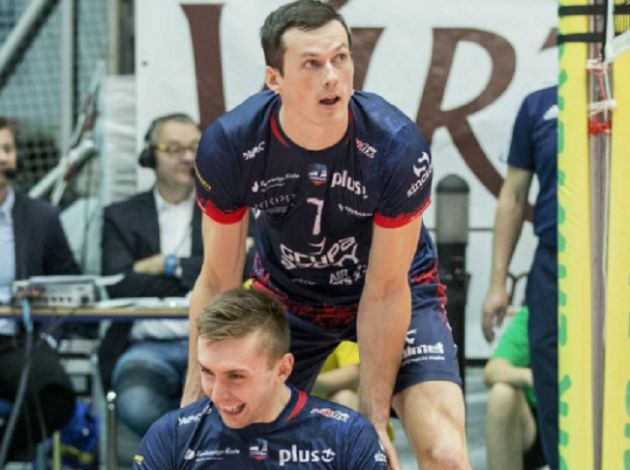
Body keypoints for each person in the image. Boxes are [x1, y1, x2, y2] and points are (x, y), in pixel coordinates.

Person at [182, 2, 470, 468]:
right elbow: (218, 281)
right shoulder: (232, 144)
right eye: (311, 64)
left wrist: (374, 417)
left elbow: (385, 290)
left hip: (394, 289)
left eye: (340, 58)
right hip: (288, 298)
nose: (332, 77)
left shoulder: (396, 145)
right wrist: (194, 402)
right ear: (274, 78)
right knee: (225, 445)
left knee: (446, 453)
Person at [134, 287, 387, 470]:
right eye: (208, 371)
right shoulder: (172, 436)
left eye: (236, 376)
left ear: (282, 369)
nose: (217, 394)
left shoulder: (347, 436)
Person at [98, 113, 202, 437]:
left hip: (213, 343)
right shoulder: (121, 216)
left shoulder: (227, 211)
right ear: (150, 156)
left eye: (195, 148)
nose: (188, 157)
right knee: (138, 404)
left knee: (225, 410)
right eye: (174, 149)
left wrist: (168, 265)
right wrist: (201, 270)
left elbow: (242, 271)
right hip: (146, 346)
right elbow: (119, 284)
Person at [481, 84, 558, 469]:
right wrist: (498, 283)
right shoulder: (540, 106)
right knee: (552, 381)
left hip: (621, 258)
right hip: (556, 264)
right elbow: (513, 195)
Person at [0, 116, 77, 459]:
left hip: (19, 341)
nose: (2, 157)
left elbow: (72, 284)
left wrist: (49, 336)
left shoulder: (42, 217)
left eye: (7, 149)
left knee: (55, 397)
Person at [484, 306, 545, 470]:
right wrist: (532, 377)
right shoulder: (538, 313)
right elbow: (492, 370)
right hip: (541, 419)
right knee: (502, 394)